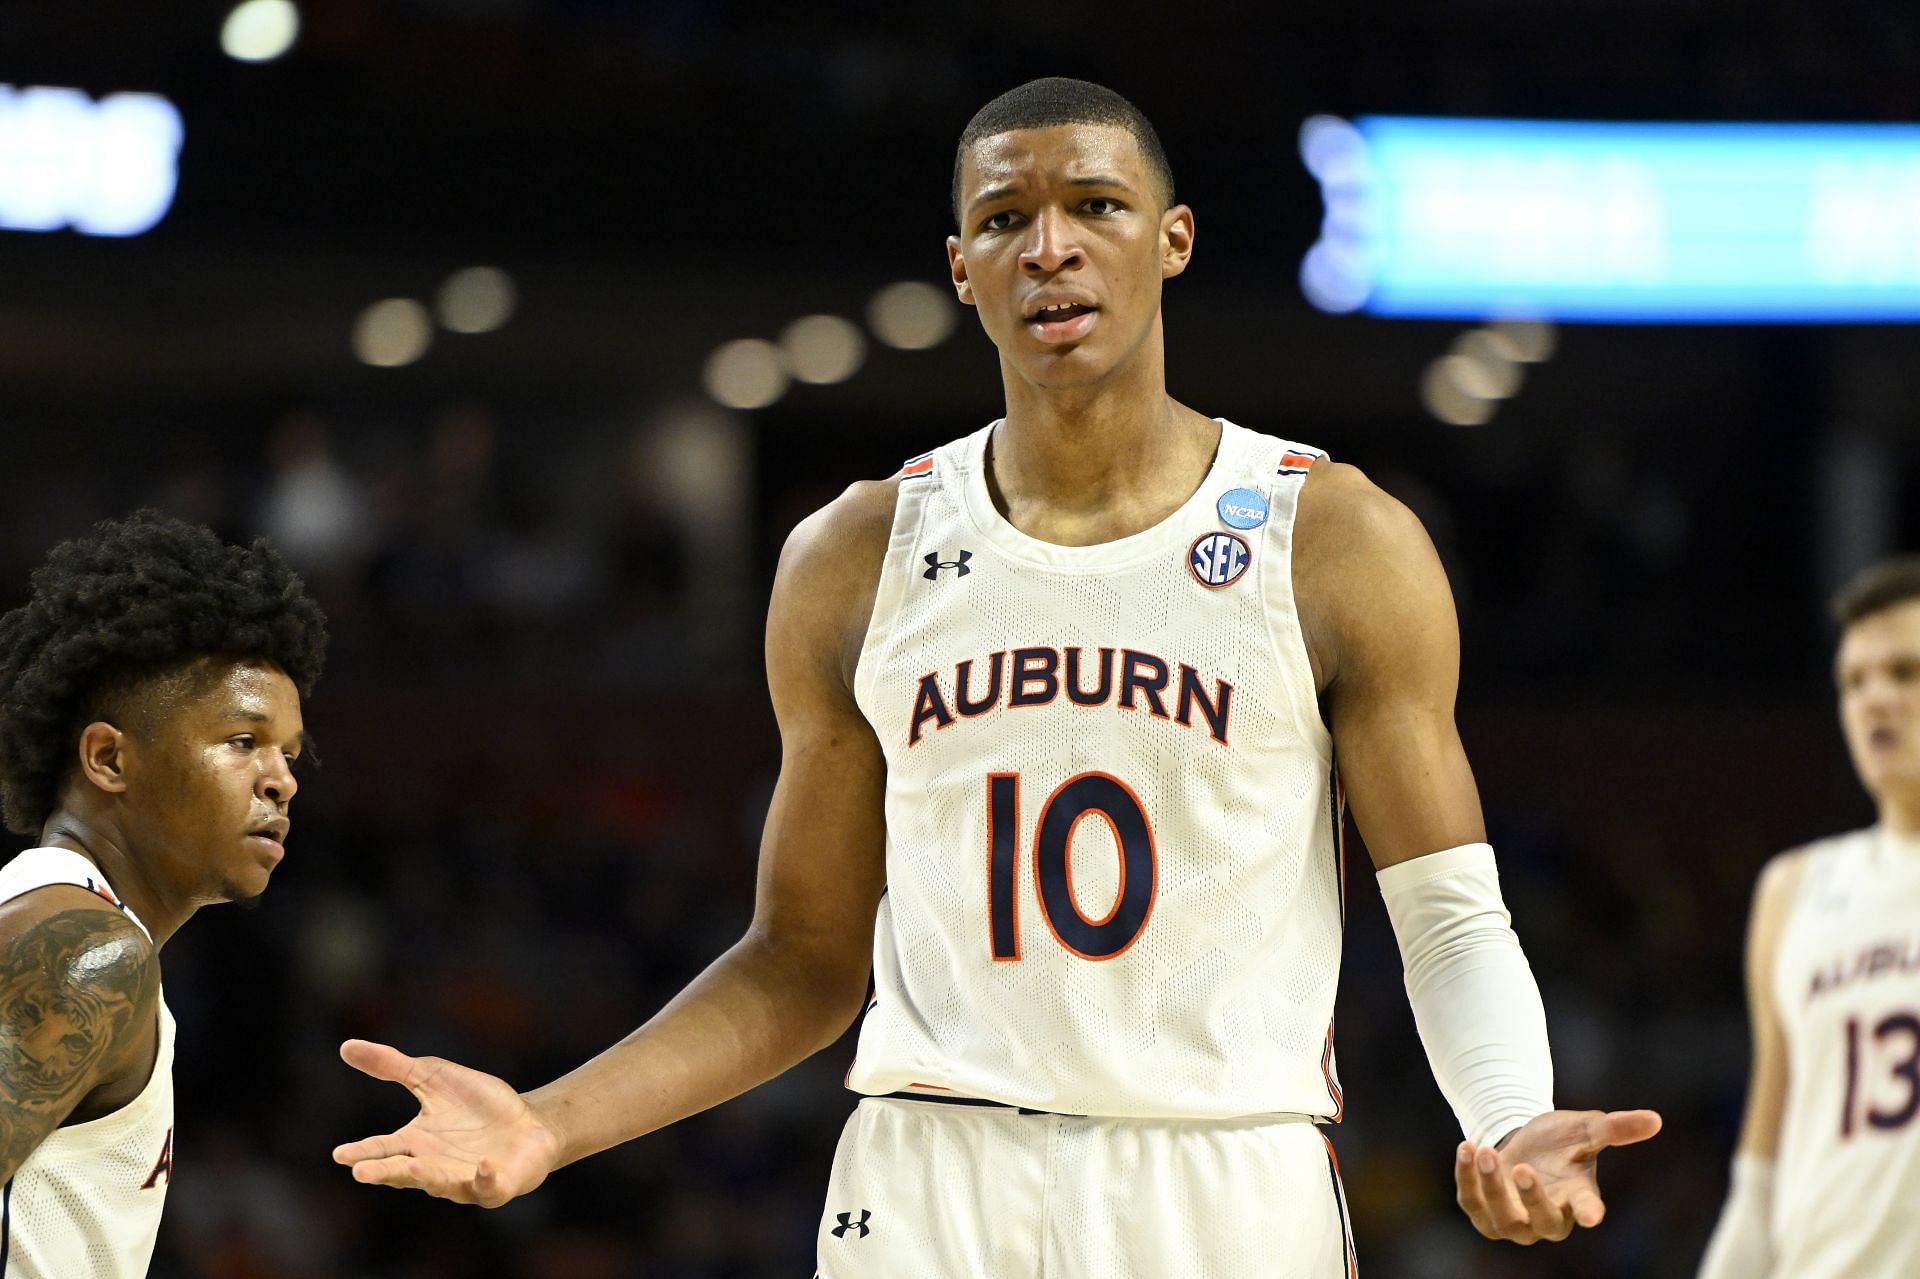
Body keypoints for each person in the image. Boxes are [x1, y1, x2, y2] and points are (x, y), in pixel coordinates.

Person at [333, 77, 1659, 1272]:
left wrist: (1509, 1111)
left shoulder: (1335, 536)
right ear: (961, 265)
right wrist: (548, 1123)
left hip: (1221, 1166)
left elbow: (1446, 913)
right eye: (1006, 217)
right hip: (930, 1169)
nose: (1052, 244)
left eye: (1097, 203)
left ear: (1173, 240)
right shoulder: (854, 554)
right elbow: (803, 957)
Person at [0, 510, 325, 1278]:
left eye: (289, 751)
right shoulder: (85, 949)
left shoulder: (69, 922)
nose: (282, 778)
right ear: (110, 757)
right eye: (243, 741)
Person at [1699, 557, 1920, 1278]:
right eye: (1853, 682)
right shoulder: (1793, 888)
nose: (1874, 700)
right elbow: (1758, 1185)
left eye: (1905, 671)